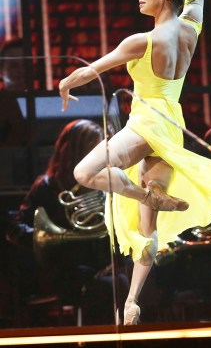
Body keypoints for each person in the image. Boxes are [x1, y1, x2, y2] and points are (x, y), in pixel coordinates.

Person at [59, 0, 211, 325]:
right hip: (170, 128)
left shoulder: (140, 41)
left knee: (84, 172)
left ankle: (147, 196)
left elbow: (90, 71)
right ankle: (132, 301)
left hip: (144, 124)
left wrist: (65, 82)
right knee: (147, 230)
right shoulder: (191, 30)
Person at [5, 119, 123, 326]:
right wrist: (56, 238)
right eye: (94, 151)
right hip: (64, 269)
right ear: (78, 152)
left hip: (101, 265)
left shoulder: (104, 183)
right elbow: (15, 229)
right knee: (110, 286)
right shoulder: (47, 186)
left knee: (131, 278)